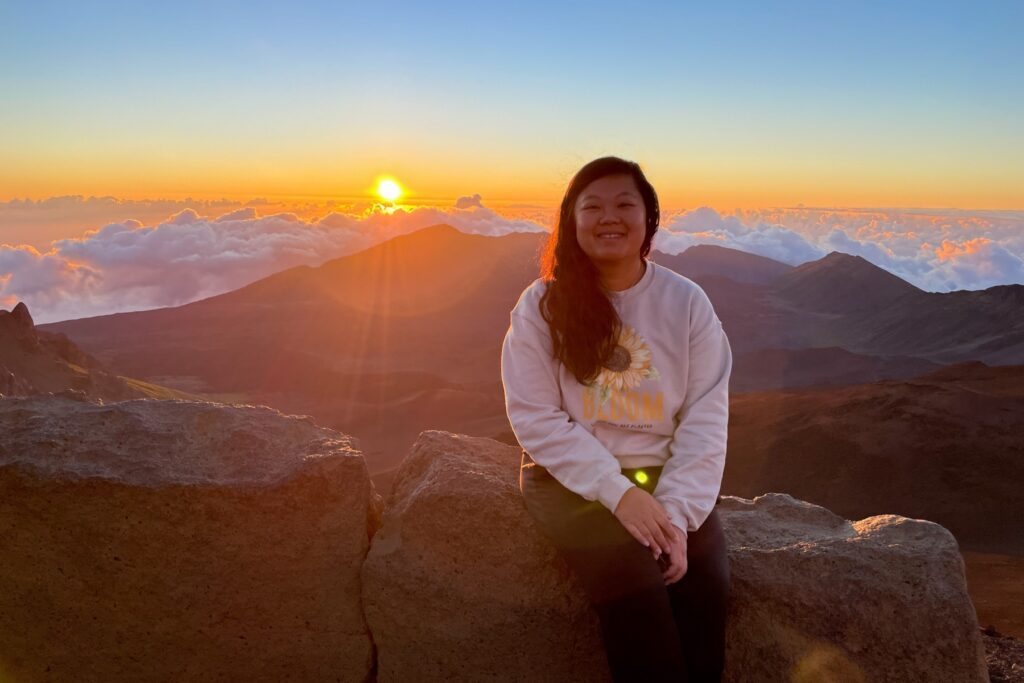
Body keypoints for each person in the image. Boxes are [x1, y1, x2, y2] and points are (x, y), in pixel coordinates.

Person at [500, 156, 733, 682]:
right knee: (637, 595)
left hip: (666, 478)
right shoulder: (542, 305)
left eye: (625, 204)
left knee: (704, 595)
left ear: (649, 219)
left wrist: (675, 513)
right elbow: (535, 417)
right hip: (571, 483)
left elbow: (705, 415)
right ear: (571, 221)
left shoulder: (687, 302)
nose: (610, 217)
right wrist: (618, 493)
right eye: (593, 206)